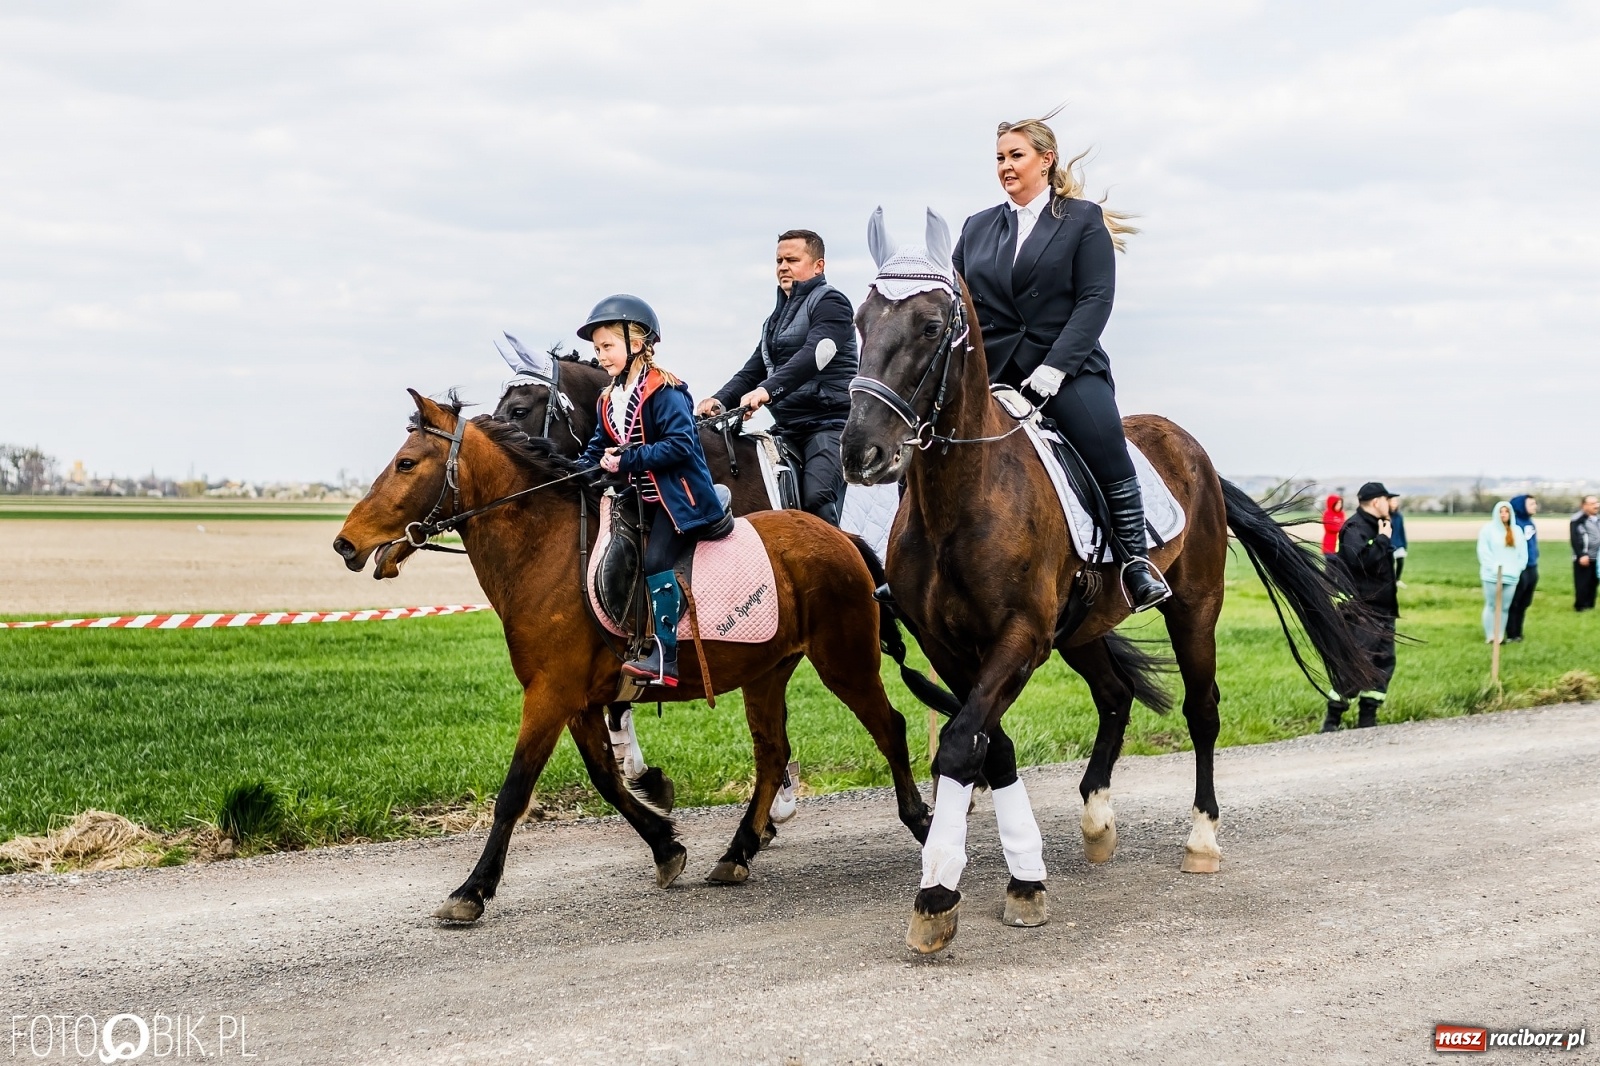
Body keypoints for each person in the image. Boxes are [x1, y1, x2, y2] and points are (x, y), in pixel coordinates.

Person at [951, 111, 1168, 610]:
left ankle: (1135, 561)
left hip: (1065, 369)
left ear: (1045, 161)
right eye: (1000, 159)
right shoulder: (977, 226)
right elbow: (959, 305)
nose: (1006, 166)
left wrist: (1053, 369)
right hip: (993, 371)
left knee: (1104, 441)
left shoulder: (1081, 219)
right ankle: (907, 561)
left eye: (1016, 156)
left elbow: (1095, 300)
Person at [576, 295, 731, 687]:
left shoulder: (667, 390)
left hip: (680, 500)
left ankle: (666, 656)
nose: (601, 356)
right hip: (640, 499)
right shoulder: (608, 398)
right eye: (597, 349)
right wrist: (575, 470)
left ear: (638, 343)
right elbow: (598, 446)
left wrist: (626, 461)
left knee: (657, 558)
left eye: (607, 346)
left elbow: (680, 444)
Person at [696, 230, 858, 526]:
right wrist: (720, 400)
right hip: (787, 428)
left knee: (816, 498)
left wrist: (767, 391)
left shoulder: (832, 303)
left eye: (792, 259)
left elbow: (814, 355)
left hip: (830, 425)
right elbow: (752, 371)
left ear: (818, 266)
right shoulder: (774, 320)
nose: (783, 266)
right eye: (779, 260)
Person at [1323, 482, 1398, 731]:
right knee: (1358, 663)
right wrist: (1383, 540)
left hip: (1384, 610)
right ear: (1377, 502)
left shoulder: (1378, 526)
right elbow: (1357, 561)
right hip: (1364, 610)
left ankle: (1368, 718)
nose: (1391, 504)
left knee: (1383, 663)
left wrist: (1383, 537)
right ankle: (1332, 719)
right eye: (1387, 499)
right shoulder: (1356, 527)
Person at [1476, 501, 1528, 644]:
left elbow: (1523, 552)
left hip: (1511, 575)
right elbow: (1483, 551)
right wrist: (1491, 567)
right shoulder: (1488, 530)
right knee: (1492, 604)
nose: (1504, 514)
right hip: (1492, 575)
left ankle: (1499, 635)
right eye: (1501, 511)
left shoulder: (1517, 530)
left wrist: (1519, 567)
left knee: (1504, 607)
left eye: (1506, 511)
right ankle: (1490, 635)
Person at [1505, 494, 1540, 641]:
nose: (1535, 506)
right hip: (1519, 568)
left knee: (1525, 602)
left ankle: (1519, 633)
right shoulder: (1514, 524)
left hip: (1532, 566)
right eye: (1531, 504)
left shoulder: (1530, 523)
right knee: (1515, 602)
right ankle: (1511, 633)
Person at [1573, 495, 1600, 612]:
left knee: (1593, 583)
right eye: (1592, 504)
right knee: (1583, 583)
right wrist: (1582, 554)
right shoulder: (1578, 519)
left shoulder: (1597, 518)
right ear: (1584, 506)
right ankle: (1581, 607)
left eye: (1597, 503)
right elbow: (1577, 538)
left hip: (1597, 557)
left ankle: (1590, 605)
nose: (1596, 506)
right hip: (1584, 557)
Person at [1388, 494, 1408, 587]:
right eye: (1393, 501)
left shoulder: (1399, 516)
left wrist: (1404, 544)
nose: (1395, 503)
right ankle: (1390, 581)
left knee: (1400, 562)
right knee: (1390, 563)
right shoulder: (1386, 516)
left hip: (1399, 543)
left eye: (1396, 501)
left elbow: (1401, 530)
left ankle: (1397, 580)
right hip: (1389, 543)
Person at [1321, 494, 1345, 563]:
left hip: (1339, 545)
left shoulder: (1341, 513)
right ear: (1332, 504)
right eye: (1337, 503)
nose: (1339, 505)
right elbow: (1329, 527)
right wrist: (1341, 528)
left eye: (1340, 503)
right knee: (1330, 567)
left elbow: (1343, 525)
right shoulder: (1327, 513)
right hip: (1329, 545)